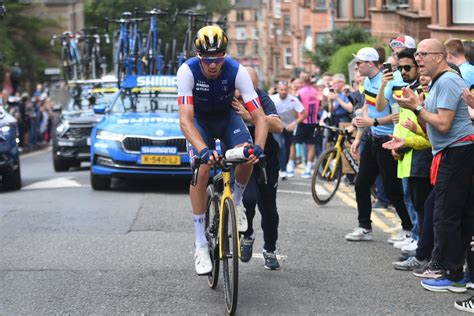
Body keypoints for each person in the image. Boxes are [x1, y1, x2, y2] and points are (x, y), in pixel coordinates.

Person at [177, 25, 268, 275]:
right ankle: (200, 243)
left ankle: (236, 202)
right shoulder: (187, 71)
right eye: (207, 60)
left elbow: (259, 117)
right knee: (203, 168)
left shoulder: (237, 71)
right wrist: (204, 150)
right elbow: (185, 121)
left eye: (218, 59)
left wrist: (258, 147)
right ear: (199, 56)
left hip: (227, 118)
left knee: (247, 154)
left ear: (224, 55)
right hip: (199, 122)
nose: (213, 66)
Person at [395, 38, 474, 292]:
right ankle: (454, 271)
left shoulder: (449, 81)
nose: (417, 58)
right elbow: (431, 133)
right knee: (447, 213)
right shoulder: (439, 82)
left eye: (423, 54)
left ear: (440, 56)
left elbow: (443, 124)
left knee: (446, 214)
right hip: (449, 152)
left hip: (458, 153)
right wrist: (416, 109)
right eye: (417, 53)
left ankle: (452, 273)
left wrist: (417, 107)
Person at [345, 47, 413, 242]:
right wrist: (359, 137)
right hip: (373, 138)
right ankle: (364, 226)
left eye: (359, 62)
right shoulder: (367, 81)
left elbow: (396, 115)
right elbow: (369, 109)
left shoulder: (393, 81)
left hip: (389, 140)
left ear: (371, 64)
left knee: (393, 189)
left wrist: (373, 123)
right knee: (361, 184)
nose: (356, 66)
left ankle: (408, 228)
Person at [233, 67, 284, 270]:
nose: (244, 92)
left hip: (265, 158)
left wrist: (249, 115)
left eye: (250, 87)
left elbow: (278, 126)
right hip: (240, 157)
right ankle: (247, 235)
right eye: (240, 87)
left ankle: (269, 249)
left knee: (268, 206)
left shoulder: (261, 98)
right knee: (247, 200)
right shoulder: (228, 97)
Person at [270, 81, 307, 180]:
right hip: (277, 126)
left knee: (287, 149)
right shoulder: (272, 99)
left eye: (285, 90)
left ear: (288, 90)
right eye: (281, 90)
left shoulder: (293, 100)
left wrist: (294, 123)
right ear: (278, 90)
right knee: (280, 145)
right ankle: (280, 169)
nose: (283, 92)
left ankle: (284, 168)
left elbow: (304, 114)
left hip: (289, 127)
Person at [294, 72, 322, 178]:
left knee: (294, 142)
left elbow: (296, 107)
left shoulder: (299, 92)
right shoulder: (316, 91)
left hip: (303, 121)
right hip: (313, 121)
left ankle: (294, 164)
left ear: (302, 80)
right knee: (311, 146)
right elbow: (319, 106)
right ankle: (308, 169)